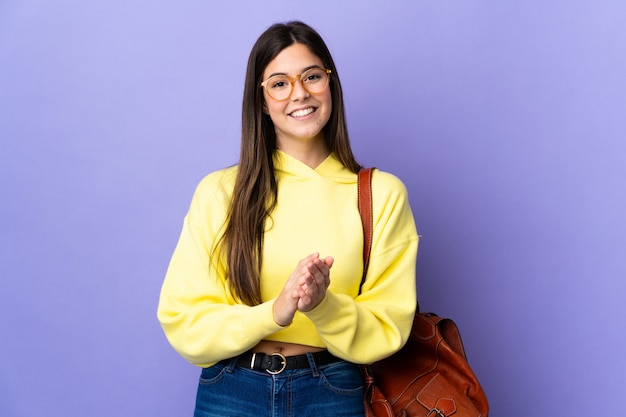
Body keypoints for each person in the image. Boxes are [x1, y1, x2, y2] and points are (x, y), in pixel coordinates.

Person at [157, 21, 418, 417]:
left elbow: (388, 325)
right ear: (261, 101)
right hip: (230, 391)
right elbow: (184, 319)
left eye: (312, 76)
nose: (299, 93)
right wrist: (275, 312)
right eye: (279, 83)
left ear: (330, 84)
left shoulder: (381, 194)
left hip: (332, 391)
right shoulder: (221, 191)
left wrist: (321, 305)